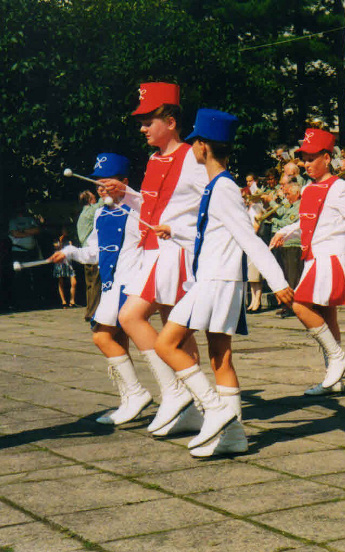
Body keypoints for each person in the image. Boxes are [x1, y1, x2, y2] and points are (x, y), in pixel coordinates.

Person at [154, 109, 293, 457]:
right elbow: (214, 234)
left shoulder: (224, 188)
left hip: (216, 281)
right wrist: (176, 231)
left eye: (193, 143)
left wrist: (278, 282)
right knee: (220, 358)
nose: (191, 149)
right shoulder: (218, 186)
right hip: (218, 279)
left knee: (165, 344)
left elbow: (248, 239)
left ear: (203, 146)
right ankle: (234, 438)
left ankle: (215, 410)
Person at [105, 82, 206, 438]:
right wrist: (126, 194)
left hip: (176, 253)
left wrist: (179, 230)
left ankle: (176, 393)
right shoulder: (153, 159)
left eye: (149, 121)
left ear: (171, 122)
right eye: (142, 122)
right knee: (175, 332)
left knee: (131, 317)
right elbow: (151, 207)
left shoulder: (193, 158)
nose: (143, 128)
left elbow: (213, 206)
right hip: (153, 253)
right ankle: (196, 408)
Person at [270, 129, 345, 396]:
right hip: (314, 256)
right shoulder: (308, 188)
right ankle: (333, 379)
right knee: (327, 315)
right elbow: (309, 223)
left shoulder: (341, 188)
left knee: (299, 305)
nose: (306, 164)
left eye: (312, 158)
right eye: (304, 159)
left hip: (333, 256)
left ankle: (337, 356)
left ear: (327, 158)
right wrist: (286, 231)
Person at [50, 153, 152, 426]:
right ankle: (128, 400)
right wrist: (69, 252)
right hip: (110, 284)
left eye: (108, 182)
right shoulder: (101, 213)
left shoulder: (137, 209)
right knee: (117, 342)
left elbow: (150, 207)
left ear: (124, 182)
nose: (101, 188)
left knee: (101, 336)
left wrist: (130, 193)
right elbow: (95, 252)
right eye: (98, 183)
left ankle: (137, 393)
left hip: (128, 283)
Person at [271, 178, 302, 318]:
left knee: (293, 277)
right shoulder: (290, 205)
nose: (287, 197)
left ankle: (293, 306)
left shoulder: (299, 205)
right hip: (286, 244)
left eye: (289, 194)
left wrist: (273, 220)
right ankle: (288, 305)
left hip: (294, 244)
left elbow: (288, 222)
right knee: (287, 276)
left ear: (297, 194)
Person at [77, 189, 102, 321]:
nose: (96, 198)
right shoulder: (91, 211)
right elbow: (103, 202)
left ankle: (90, 310)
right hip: (92, 251)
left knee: (90, 283)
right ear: (89, 200)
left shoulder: (83, 213)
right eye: (93, 197)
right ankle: (93, 312)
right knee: (96, 283)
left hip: (85, 251)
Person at [53, 226, 78, 308]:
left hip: (69, 262)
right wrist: (60, 241)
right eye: (64, 230)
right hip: (60, 262)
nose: (66, 231)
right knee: (61, 282)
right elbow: (57, 250)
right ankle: (63, 301)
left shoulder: (69, 240)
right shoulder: (56, 240)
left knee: (74, 282)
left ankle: (72, 300)